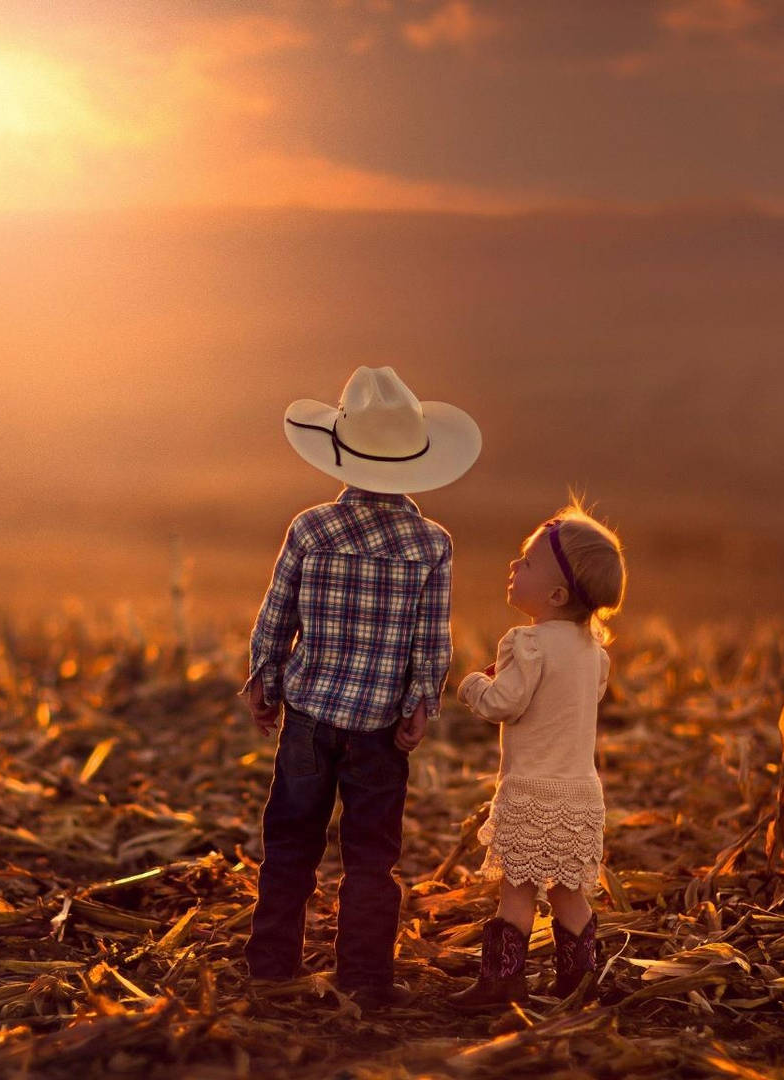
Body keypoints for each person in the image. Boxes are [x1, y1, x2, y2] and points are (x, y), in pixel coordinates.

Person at [240, 365, 481, 1013]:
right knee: (372, 860)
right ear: (416, 459)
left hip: (309, 717)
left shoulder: (311, 528)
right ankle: (365, 981)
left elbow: (277, 615)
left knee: (290, 844)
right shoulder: (432, 543)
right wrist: (419, 704)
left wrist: (265, 679)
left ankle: (271, 968)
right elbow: (430, 643)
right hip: (379, 732)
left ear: (340, 451)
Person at [446, 499, 625, 1011]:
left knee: (518, 889)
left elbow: (507, 704)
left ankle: (501, 982)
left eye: (524, 563)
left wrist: (474, 685)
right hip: (581, 794)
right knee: (570, 893)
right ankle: (579, 981)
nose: (512, 567)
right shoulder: (595, 652)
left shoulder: (525, 643)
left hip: (530, 791)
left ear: (555, 593)